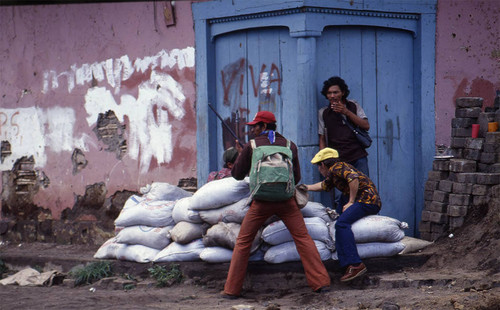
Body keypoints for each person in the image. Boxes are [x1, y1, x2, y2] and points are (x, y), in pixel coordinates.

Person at [221, 111, 331, 299]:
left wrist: (245, 157)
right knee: (303, 239)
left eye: (255, 126)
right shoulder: (290, 145)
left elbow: (237, 175)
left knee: (243, 242)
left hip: (261, 203)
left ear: (264, 126)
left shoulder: (252, 146)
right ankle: (321, 283)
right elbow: (297, 178)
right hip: (286, 202)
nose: (252, 130)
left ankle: (231, 290)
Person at [306, 148, 381, 282]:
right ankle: (346, 263)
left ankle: (355, 264)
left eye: (318, 166)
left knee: (341, 224)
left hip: (367, 201)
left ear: (323, 164)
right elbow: (323, 186)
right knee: (339, 217)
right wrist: (305, 187)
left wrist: (351, 201)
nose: (319, 170)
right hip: (363, 201)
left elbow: (353, 178)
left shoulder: (337, 167)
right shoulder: (334, 174)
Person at [318, 76, 370, 176]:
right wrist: (323, 159)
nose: (332, 96)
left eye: (335, 92)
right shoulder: (323, 112)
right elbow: (322, 138)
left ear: (343, 93)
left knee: (364, 187)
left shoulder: (353, 105)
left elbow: (366, 125)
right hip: (338, 159)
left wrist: (346, 112)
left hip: (358, 156)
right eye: (329, 93)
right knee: (343, 189)